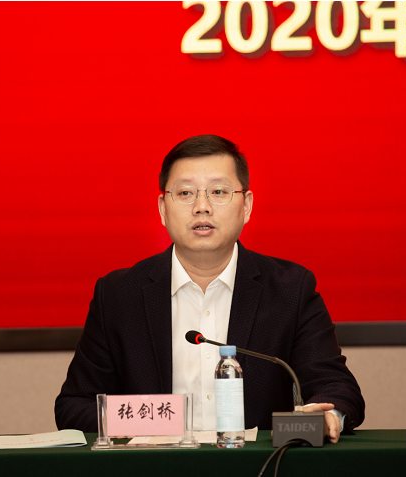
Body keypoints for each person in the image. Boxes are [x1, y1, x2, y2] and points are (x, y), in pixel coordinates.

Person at [55, 135, 364, 443]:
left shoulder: (290, 290)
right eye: (185, 193)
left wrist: (327, 415)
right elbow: (74, 406)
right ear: (162, 209)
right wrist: (147, 420)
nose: (201, 207)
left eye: (218, 192)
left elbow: (336, 387)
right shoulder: (120, 295)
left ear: (246, 206)